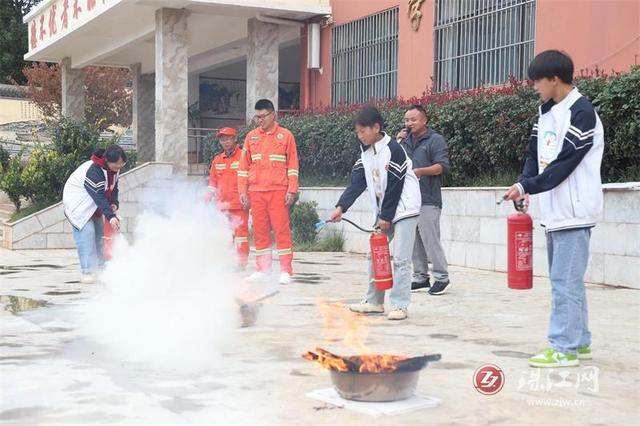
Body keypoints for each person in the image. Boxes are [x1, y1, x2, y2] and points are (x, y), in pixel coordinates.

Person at [503, 50, 604, 368]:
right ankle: (580, 341)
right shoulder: (546, 113)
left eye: (537, 81)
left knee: (564, 281)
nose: (534, 87)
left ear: (555, 79)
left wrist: (529, 186)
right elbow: (534, 154)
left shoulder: (582, 111)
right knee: (568, 281)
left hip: (575, 212)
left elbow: (566, 163)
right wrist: (523, 183)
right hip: (554, 212)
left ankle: (563, 347)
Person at [330, 106, 421, 320]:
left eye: (363, 131)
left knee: (400, 259)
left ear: (376, 128)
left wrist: (386, 216)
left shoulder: (393, 149)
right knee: (375, 254)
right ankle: (375, 301)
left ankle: (399, 305)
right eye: (358, 132)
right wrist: (341, 207)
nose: (360, 136)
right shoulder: (365, 153)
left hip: (405, 208)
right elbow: (357, 182)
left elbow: (395, 185)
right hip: (385, 211)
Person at [238, 99, 299, 285]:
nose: (260, 120)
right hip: (256, 192)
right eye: (257, 117)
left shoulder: (286, 136)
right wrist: (242, 191)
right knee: (259, 232)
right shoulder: (251, 137)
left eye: (263, 116)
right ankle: (262, 269)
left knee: (281, 231)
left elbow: (293, 165)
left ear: (273, 114)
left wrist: (292, 189)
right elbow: (243, 167)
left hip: (278, 191)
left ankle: (285, 270)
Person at [396, 104, 451, 295]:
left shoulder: (435, 140)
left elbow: (442, 166)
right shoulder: (404, 141)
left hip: (428, 198)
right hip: (408, 199)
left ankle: (442, 277)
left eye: (413, 119)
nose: (409, 123)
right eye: (407, 120)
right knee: (413, 240)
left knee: (430, 239)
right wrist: (397, 141)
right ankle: (420, 277)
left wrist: (421, 171)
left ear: (424, 120)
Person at [63, 145, 126, 283]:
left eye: (121, 165)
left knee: (99, 236)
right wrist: (110, 217)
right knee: (87, 235)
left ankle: (101, 269)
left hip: (93, 206)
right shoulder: (94, 170)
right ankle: (87, 272)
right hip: (78, 205)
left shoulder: (113, 170)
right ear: (107, 160)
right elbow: (99, 196)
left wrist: (114, 202)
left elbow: (113, 188)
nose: (118, 168)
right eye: (116, 165)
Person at [205, 127, 249, 269]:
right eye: (222, 139)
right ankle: (226, 261)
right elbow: (212, 183)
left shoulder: (244, 156)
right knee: (224, 234)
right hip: (222, 206)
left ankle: (241, 262)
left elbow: (251, 178)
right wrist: (206, 198)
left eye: (228, 138)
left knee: (241, 235)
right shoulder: (217, 160)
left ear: (235, 139)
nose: (225, 141)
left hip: (239, 204)